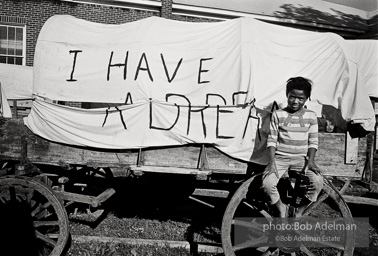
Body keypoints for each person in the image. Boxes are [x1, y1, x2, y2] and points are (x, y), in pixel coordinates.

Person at [261, 77, 323, 218]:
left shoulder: (311, 116)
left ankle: (299, 210)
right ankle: (281, 208)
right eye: (292, 97)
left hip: (301, 160)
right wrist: (271, 163)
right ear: (287, 95)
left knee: (318, 183)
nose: (295, 101)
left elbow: (313, 141)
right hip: (280, 159)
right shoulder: (278, 115)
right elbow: (272, 140)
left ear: (307, 98)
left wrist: (311, 161)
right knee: (267, 184)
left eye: (300, 98)